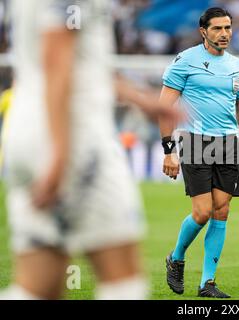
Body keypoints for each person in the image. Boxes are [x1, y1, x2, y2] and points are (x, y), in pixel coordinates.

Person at [0, 0, 179, 300]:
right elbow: (57, 54)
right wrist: (59, 153)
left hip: (29, 128)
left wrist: (140, 99)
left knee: (39, 285)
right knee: (124, 283)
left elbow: (77, 59)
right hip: (73, 135)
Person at [159, 7, 239, 298]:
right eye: (218, 28)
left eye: (228, 28)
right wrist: (169, 150)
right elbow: (165, 106)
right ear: (203, 31)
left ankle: (207, 283)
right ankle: (177, 256)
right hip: (195, 142)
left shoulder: (237, 67)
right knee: (203, 211)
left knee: (221, 210)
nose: (224, 34)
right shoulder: (185, 61)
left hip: (228, 144)